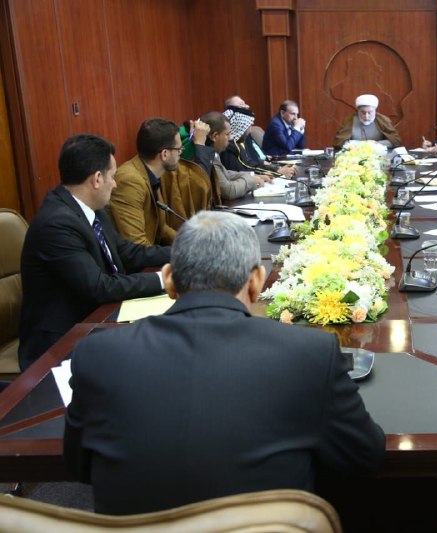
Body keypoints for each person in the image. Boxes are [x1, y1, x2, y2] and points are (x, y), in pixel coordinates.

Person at [64, 210, 386, 515]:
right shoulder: (311, 354)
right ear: (256, 281)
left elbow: (79, 468)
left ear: (169, 279)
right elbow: (365, 454)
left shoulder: (96, 355)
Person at [18, 134, 169, 370]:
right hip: (59, 343)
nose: (115, 184)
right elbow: (99, 287)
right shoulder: (56, 223)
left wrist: (183, 253)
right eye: (113, 176)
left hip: (98, 319)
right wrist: (165, 279)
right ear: (97, 179)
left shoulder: (90, 208)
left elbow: (126, 252)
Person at [109, 118, 215, 246]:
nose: (180, 154)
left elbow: (161, 228)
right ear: (165, 154)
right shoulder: (130, 181)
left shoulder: (152, 174)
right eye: (179, 150)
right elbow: (137, 246)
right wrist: (184, 252)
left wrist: (191, 244)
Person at [200, 111, 266, 199]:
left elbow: (225, 173)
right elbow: (229, 191)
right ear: (214, 136)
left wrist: (252, 176)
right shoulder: (208, 158)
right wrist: (252, 180)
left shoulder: (212, 153)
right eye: (227, 134)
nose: (230, 138)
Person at [220, 104, 296, 178]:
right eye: (249, 126)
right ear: (239, 127)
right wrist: (277, 173)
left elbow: (252, 165)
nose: (250, 131)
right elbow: (244, 172)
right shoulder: (229, 148)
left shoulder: (238, 144)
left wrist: (276, 169)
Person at [333, 94, 402, 149]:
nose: (366, 116)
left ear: (375, 111)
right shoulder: (350, 121)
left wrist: (375, 144)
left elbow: (395, 142)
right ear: (358, 111)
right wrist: (357, 144)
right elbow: (339, 143)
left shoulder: (383, 121)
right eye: (363, 112)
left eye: (370, 112)